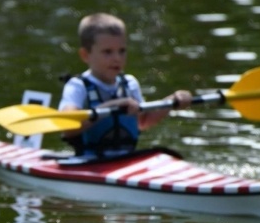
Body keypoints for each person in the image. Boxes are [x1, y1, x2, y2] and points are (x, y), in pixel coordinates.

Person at [58, 12, 192, 157]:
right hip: (88, 163)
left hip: (125, 160)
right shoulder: (77, 86)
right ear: (85, 55)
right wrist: (112, 106)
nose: (117, 58)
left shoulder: (130, 83)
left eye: (122, 51)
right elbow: (68, 126)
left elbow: (143, 122)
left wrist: (171, 101)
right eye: (107, 52)